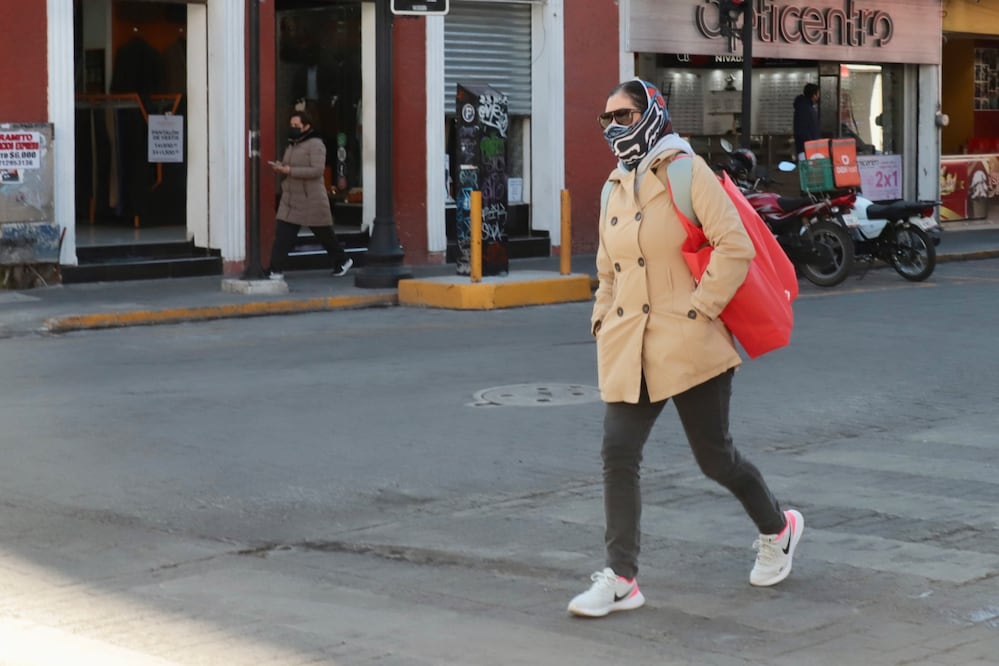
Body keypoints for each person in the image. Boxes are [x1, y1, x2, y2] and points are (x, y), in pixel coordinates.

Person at [567, 78, 804, 619]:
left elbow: (734, 244)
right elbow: (607, 270)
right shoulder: (612, 188)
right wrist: (602, 317)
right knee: (617, 453)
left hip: (690, 341)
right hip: (631, 345)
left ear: (650, 113)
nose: (613, 128)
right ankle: (622, 577)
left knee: (715, 458)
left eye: (623, 116)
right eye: (606, 120)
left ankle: (778, 528)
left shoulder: (683, 170)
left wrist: (700, 309)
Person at [266, 110, 352, 279]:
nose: (293, 128)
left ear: (307, 126)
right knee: (283, 234)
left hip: (310, 198)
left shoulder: (316, 144)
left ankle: (342, 260)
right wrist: (281, 167)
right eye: (291, 125)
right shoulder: (292, 144)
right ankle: (275, 269)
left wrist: (289, 170)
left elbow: (317, 170)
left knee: (324, 234)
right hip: (291, 197)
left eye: (296, 126)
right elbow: (289, 165)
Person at [793, 82, 821, 161]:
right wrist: (811, 146)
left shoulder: (807, 107)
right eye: (818, 94)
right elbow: (803, 130)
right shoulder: (804, 109)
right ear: (813, 95)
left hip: (809, 148)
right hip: (807, 149)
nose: (819, 96)